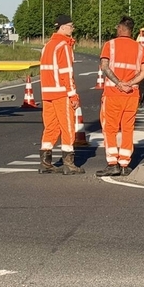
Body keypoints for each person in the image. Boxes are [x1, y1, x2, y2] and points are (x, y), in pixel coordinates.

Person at [96, 16, 144, 177]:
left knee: (110, 129)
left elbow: (104, 67)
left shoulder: (110, 45)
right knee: (128, 129)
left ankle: (112, 163)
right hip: (132, 94)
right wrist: (130, 83)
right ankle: (125, 165)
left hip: (113, 94)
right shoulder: (140, 49)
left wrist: (119, 83)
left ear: (120, 28)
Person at [38, 14, 83, 174]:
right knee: (67, 127)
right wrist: (73, 95)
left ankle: (45, 162)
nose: (73, 28)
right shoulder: (64, 46)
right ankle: (68, 163)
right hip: (61, 93)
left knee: (50, 127)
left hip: (47, 93)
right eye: (71, 26)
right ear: (63, 27)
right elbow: (66, 73)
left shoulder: (48, 45)